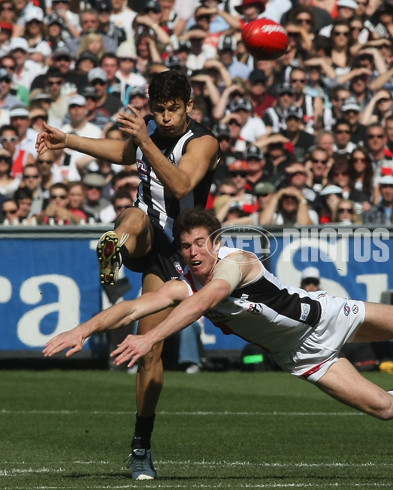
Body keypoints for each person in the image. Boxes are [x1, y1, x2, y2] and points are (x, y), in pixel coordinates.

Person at [44, 207, 393, 465]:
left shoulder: (236, 261)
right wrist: (82, 327)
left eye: (200, 244)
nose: (194, 253)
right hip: (301, 356)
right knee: (386, 410)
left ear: (218, 241)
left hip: (329, 316)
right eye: (186, 248)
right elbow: (135, 305)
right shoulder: (186, 283)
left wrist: (149, 337)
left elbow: (208, 300)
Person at [36, 69, 221, 481]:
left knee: (149, 349)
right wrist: (69, 140)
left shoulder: (203, 141)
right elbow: (123, 152)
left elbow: (180, 183)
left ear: (189, 106)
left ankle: (141, 441)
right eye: (160, 110)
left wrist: (143, 138)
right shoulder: (148, 133)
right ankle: (114, 248)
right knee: (133, 214)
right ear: (150, 107)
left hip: (183, 250)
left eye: (174, 110)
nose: (167, 117)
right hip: (147, 234)